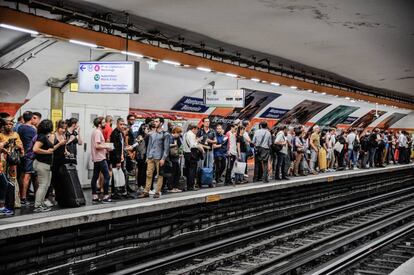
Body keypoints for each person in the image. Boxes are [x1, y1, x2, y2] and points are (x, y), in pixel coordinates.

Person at [138, 117, 170, 199]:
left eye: (156, 121)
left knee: (160, 175)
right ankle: (146, 191)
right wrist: (147, 156)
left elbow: (166, 148)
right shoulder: (151, 133)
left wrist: (163, 158)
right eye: (154, 121)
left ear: (161, 123)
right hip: (151, 157)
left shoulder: (165, 134)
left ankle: (157, 191)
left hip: (159, 157)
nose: (154, 123)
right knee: (148, 174)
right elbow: (149, 146)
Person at [32, 119, 59, 212]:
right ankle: (37, 205)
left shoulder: (44, 136)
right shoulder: (42, 137)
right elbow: (35, 149)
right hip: (42, 164)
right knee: (43, 185)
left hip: (45, 164)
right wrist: (46, 152)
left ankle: (41, 203)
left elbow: (50, 148)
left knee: (46, 185)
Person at [0, 116, 23, 209]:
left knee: (13, 180)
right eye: (7, 124)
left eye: (11, 124)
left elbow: (20, 146)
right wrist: (5, 144)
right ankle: (3, 202)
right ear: (4, 125)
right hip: (2, 160)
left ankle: (15, 202)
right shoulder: (0, 135)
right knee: (3, 181)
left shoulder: (16, 134)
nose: (10, 126)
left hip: (12, 160)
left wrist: (15, 145)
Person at [17, 111, 38, 206]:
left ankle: (20, 195)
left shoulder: (19, 127)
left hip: (21, 154)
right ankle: (23, 198)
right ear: (31, 118)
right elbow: (36, 141)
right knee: (27, 176)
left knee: (21, 175)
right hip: (29, 155)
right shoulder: (32, 130)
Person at [90, 117, 112, 203]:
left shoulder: (96, 132)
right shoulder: (98, 132)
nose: (105, 124)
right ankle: (106, 195)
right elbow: (97, 146)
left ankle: (94, 195)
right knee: (107, 176)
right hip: (100, 158)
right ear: (99, 124)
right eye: (103, 123)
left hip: (97, 158)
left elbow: (99, 145)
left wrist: (105, 148)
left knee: (95, 176)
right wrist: (107, 146)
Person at [49, 120, 67, 206]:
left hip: (62, 160)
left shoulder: (63, 135)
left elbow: (64, 147)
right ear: (57, 128)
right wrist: (60, 144)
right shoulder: (53, 135)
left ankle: (59, 197)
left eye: (64, 128)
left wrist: (67, 151)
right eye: (61, 128)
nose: (63, 130)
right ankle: (50, 198)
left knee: (61, 180)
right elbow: (51, 148)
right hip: (54, 160)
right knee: (54, 180)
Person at [110, 118, 127, 198]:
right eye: (121, 124)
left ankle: (120, 191)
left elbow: (121, 146)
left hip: (121, 157)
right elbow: (115, 148)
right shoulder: (115, 133)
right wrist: (118, 161)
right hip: (116, 158)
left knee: (120, 174)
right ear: (117, 124)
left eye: (123, 124)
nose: (122, 126)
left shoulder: (121, 133)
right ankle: (114, 192)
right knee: (115, 175)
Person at [183, 124, 203, 191]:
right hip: (192, 154)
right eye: (197, 129)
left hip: (186, 153)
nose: (197, 131)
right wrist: (198, 141)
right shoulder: (192, 134)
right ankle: (191, 186)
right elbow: (193, 145)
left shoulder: (185, 134)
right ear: (194, 129)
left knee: (188, 170)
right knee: (192, 171)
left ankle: (188, 185)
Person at [167, 126, 183, 192]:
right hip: (171, 158)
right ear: (175, 132)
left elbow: (180, 146)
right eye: (178, 133)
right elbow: (167, 145)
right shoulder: (170, 137)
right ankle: (171, 188)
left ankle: (175, 187)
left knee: (178, 172)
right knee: (172, 173)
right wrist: (174, 145)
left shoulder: (177, 138)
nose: (179, 135)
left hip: (176, 157)